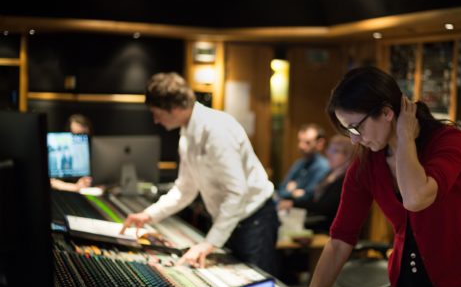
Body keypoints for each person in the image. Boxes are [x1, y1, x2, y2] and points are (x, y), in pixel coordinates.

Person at [306, 66, 461, 287]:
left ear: (386, 113)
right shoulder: (367, 163)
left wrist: (405, 138)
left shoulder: (448, 141)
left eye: (356, 127)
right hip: (405, 284)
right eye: (348, 130)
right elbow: (340, 240)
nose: (354, 139)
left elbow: (416, 198)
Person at [120, 72, 279, 274]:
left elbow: (236, 192)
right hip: (231, 219)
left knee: (256, 286)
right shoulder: (186, 134)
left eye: (156, 112)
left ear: (175, 108)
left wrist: (209, 242)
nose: (156, 120)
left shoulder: (217, 130)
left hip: (254, 220)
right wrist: (148, 215)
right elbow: (185, 189)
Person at [278, 135, 354, 233]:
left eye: (335, 151)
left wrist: (294, 203)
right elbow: (314, 199)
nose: (329, 154)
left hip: (332, 230)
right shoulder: (330, 173)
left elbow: (325, 207)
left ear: (348, 155)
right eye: (329, 150)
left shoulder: (347, 178)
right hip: (318, 223)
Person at [276, 123, 330, 204]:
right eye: (300, 141)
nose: (301, 146)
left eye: (307, 142)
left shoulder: (323, 166)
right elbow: (281, 189)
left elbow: (309, 196)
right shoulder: (299, 163)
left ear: (320, 143)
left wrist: (292, 189)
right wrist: (295, 193)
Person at [50, 114, 93, 192]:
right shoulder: (57, 147)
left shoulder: (95, 148)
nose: (79, 139)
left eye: (82, 134)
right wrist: (74, 187)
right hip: (63, 193)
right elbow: (51, 181)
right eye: (75, 134)